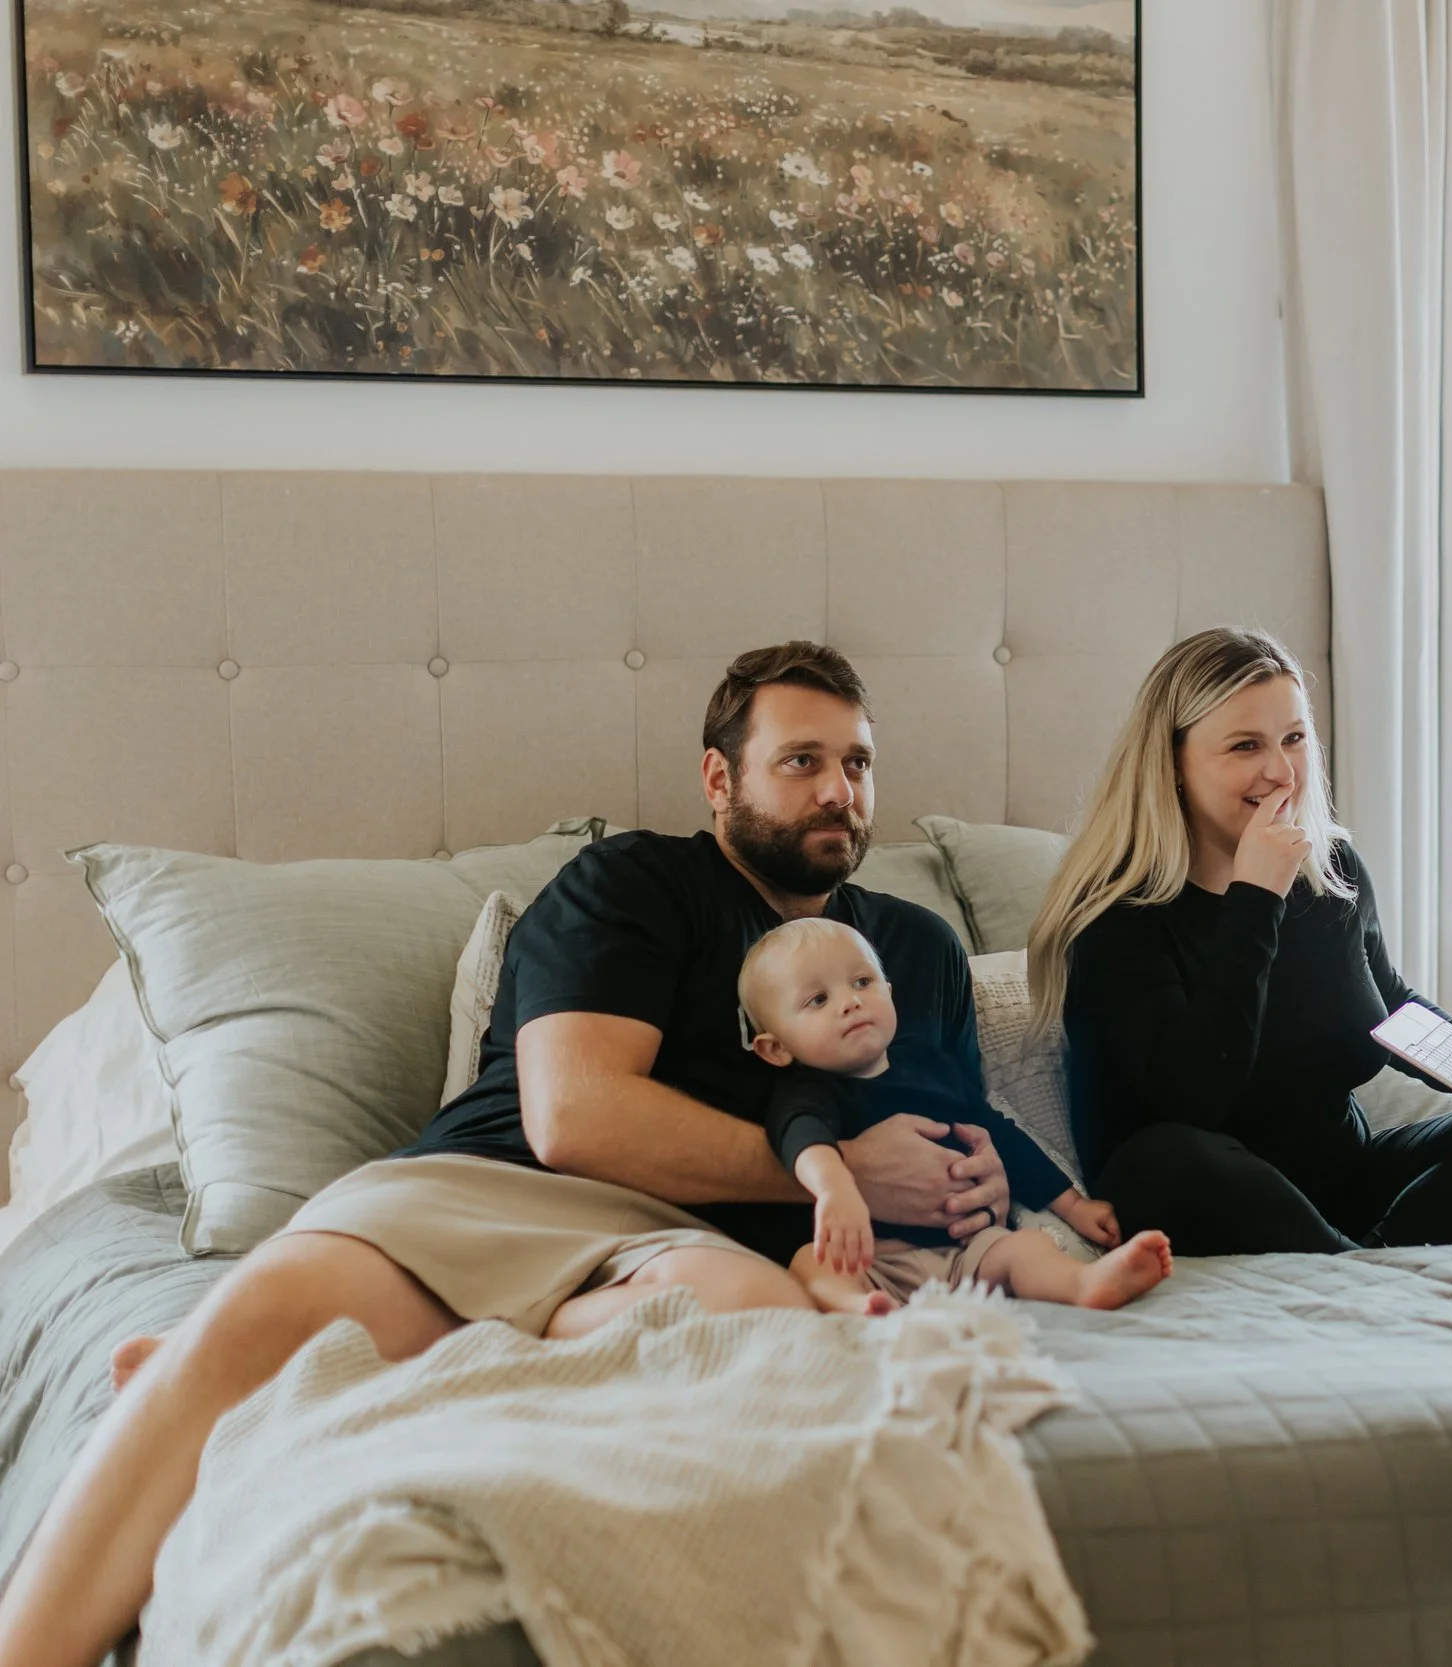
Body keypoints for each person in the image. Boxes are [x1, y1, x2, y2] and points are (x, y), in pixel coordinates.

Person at [0, 642, 1013, 1667]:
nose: (839, 789)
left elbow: (948, 1137)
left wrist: (979, 1185)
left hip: (703, 1254)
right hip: (500, 1193)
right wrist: (844, 1167)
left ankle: (369, 1368)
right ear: (720, 778)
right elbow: (576, 1117)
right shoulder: (634, 882)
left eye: (858, 763)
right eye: (802, 760)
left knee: (766, 1334)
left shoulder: (917, 949)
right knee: (245, 1328)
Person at [1026, 627, 1452, 1258]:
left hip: (1340, 1180)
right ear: (1171, 764)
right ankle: (1389, 1267)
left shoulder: (1332, 870)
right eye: (1245, 746)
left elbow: (1391, 1008)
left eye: (1294, 739)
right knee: (1169, 1156)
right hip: (1203, 1186)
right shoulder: (1118, 913)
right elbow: (1191, 1096)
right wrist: (1254, 900)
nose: (1280, 772)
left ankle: (1371, 1263)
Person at [710, 917, 1173, 1316]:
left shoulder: (930, 1064)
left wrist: (1075, 1206)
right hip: (872, 1262)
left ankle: (1084, 1285)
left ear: (889, 992)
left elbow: (996, 1136)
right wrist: (835, 1187)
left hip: (966, 1250)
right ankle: (860, 1311)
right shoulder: (808, 1090)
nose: (849, 1001)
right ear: (776, 1048)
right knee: (810, 1262)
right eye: (817, 1000)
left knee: (1027, 1249)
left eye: (862, 982)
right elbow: (802, 1137)